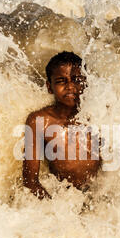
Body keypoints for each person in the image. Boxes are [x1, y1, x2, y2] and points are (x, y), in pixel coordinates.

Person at [22, 51, 101, 199]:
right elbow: (30, 182)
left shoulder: (98, 114)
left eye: (76, 79)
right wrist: (55, 210)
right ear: (49, 87)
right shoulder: (39, 121)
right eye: (61, 81)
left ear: (85, 82)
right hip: (63, 198)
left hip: (98, 196)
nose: (70, 86)